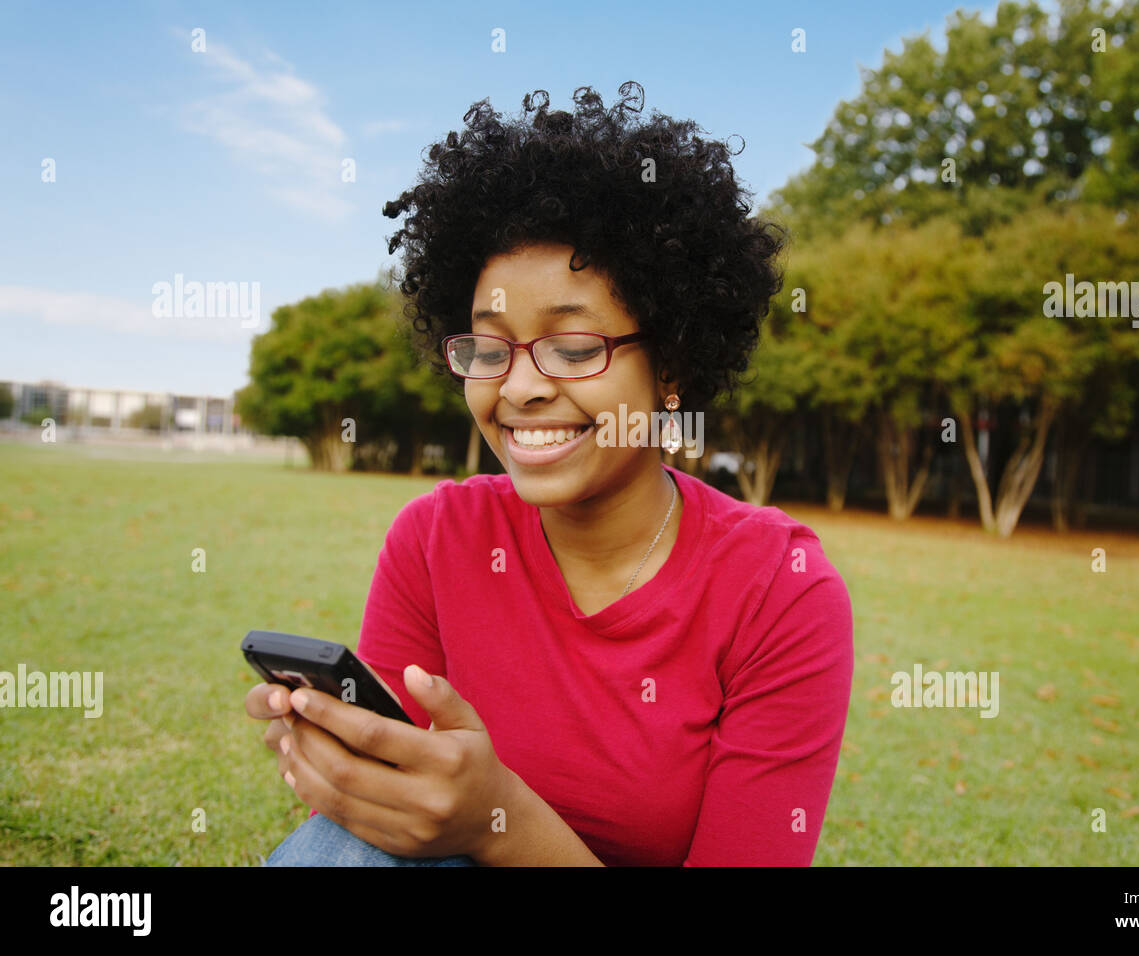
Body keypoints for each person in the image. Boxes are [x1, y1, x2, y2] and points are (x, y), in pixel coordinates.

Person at [248, 81, 854, 866]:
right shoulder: (437, 538)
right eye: (490, 348)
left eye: (574, 348)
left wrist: (499, 820)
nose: (520, 386)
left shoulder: (781, 588)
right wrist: (346, 766)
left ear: (670, 363)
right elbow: (394, 820)